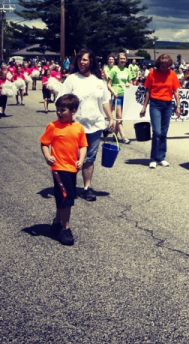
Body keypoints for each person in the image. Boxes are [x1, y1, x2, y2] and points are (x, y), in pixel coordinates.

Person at [60, 49, 115, 201]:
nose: (82, 62)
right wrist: (64, 118)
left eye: (85, 60)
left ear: (91, 62)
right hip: (75, 126)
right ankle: (69, 186)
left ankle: (86, 188)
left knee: (89, 158)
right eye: (80, 60)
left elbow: (105, 102)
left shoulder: (99, 82)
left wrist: (111, 119)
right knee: (74, 158)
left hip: (95, 125)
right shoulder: (72, 79)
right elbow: (61, 100)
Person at [39, 93, 87, 246]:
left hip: (72, 168)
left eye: (63, 110)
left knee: (63, 197)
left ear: (73, 110)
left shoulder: (78, 128)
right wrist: (47, 156)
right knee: (67, 198)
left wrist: (81, 160)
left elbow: (83, 145)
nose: (59, 113)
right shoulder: (53, 126)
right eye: (57, 110)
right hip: (59, 167)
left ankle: (57, 222)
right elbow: (44, 143)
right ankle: (65, 228)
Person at [139, 54, 181, 168]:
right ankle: (153, 158)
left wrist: (178, 106)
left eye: (166, 65)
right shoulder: (152, 73)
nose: (164, 68)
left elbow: (176, 91)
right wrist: (144, 107)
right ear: (159, 64)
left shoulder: (172, 74)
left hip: (168, 105)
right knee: (157, 132)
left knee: (164, 132)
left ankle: (161, 157)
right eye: (162, 65)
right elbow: (148, 91)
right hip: (155, 104)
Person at [107, 51, 133, 144]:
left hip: (125, 96)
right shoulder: (114, 70)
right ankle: (123, 136)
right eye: (121, 58)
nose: (122, 60)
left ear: (126, 60)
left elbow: (131, 83)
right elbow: (109, 84)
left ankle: (115, 134)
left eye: (124, 59)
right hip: (117, 96)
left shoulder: (127, 70)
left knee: (121, 117)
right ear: (118, 60)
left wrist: (128, 84)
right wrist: (113, 92)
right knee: (119, 116)